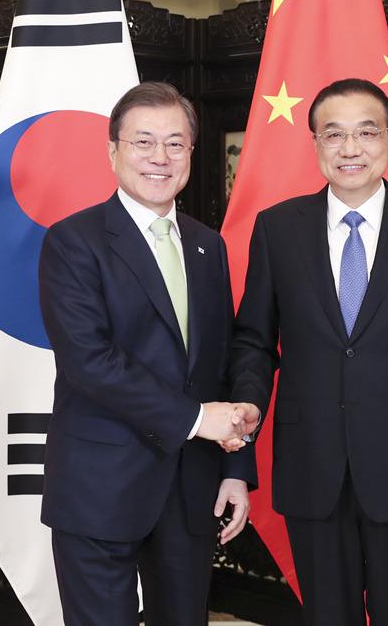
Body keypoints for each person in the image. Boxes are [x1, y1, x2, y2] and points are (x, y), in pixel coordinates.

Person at [228, 78, 388, 626]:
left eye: (366, 132)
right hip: (311, 462)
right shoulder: (277, 228)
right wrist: (244, 411)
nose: (350, 148)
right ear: (315, 143)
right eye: (334, 134)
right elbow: (254, 341)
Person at [38, 82, 259, 626]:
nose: (160, 157)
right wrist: (197, 419)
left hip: (191, 490)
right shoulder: (72, 240)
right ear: (113, 151)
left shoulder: (208, 245)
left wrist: (235, 466)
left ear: (190, 154)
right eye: (143, 142)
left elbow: (221, 363)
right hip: (99, 485)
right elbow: (89, 360)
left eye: (175, 143)